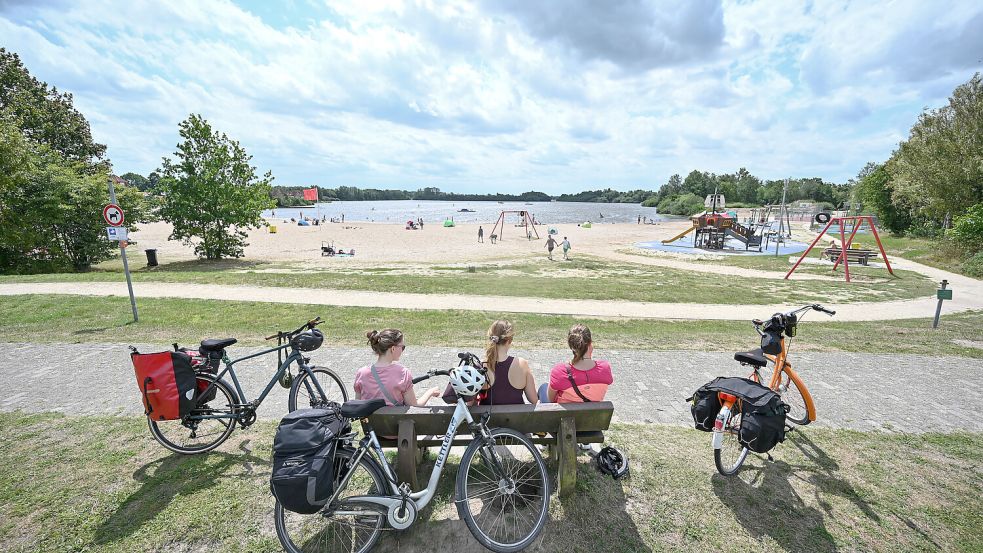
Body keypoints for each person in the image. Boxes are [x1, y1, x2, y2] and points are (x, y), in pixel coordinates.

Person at [354, 329, 440, 406]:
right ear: (393, 349)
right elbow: (414, 406)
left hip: (370, 423)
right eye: (402, 347)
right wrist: (430, 392)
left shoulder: (362, 373)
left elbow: (358, 403)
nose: (403, 350)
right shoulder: (403, 373)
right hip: (396, 423)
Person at [538, 324, 612, 404]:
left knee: (543, 387)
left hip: (565, 416)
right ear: (590, 343)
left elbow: (551, 399)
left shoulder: (560, 371)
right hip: (592, 415)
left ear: (571, 346)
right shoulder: (605, 368)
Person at [480, 320, 538, 405]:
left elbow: (470, 402)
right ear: (509, 340)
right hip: (517, 418)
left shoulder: (481, 366)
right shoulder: (522, 364)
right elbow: (534, 400)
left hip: (488, 418)